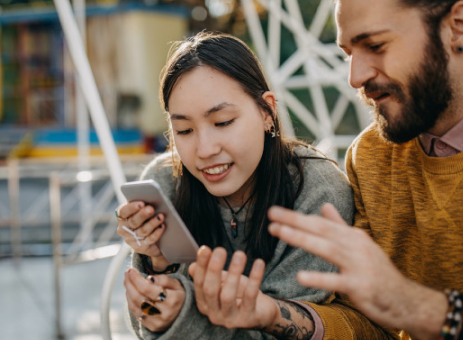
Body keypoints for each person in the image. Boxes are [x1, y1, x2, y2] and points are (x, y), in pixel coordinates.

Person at [264, 0, 463, 339]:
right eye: (348, 53)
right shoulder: (370, 156)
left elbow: (404, 308)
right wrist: (271, 314)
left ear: (458, 26)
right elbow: (372, 325)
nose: (355, 77)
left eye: (375, 46)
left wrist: (423, 310)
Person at [115, 31, 359, 339]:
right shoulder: (165, 182)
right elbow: (145, 327)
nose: (204, 150)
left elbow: (283, 331)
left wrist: (184, 318)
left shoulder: (317, 193)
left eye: (223, 122)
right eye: (184, 130)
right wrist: (157, 265)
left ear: (267, 112)